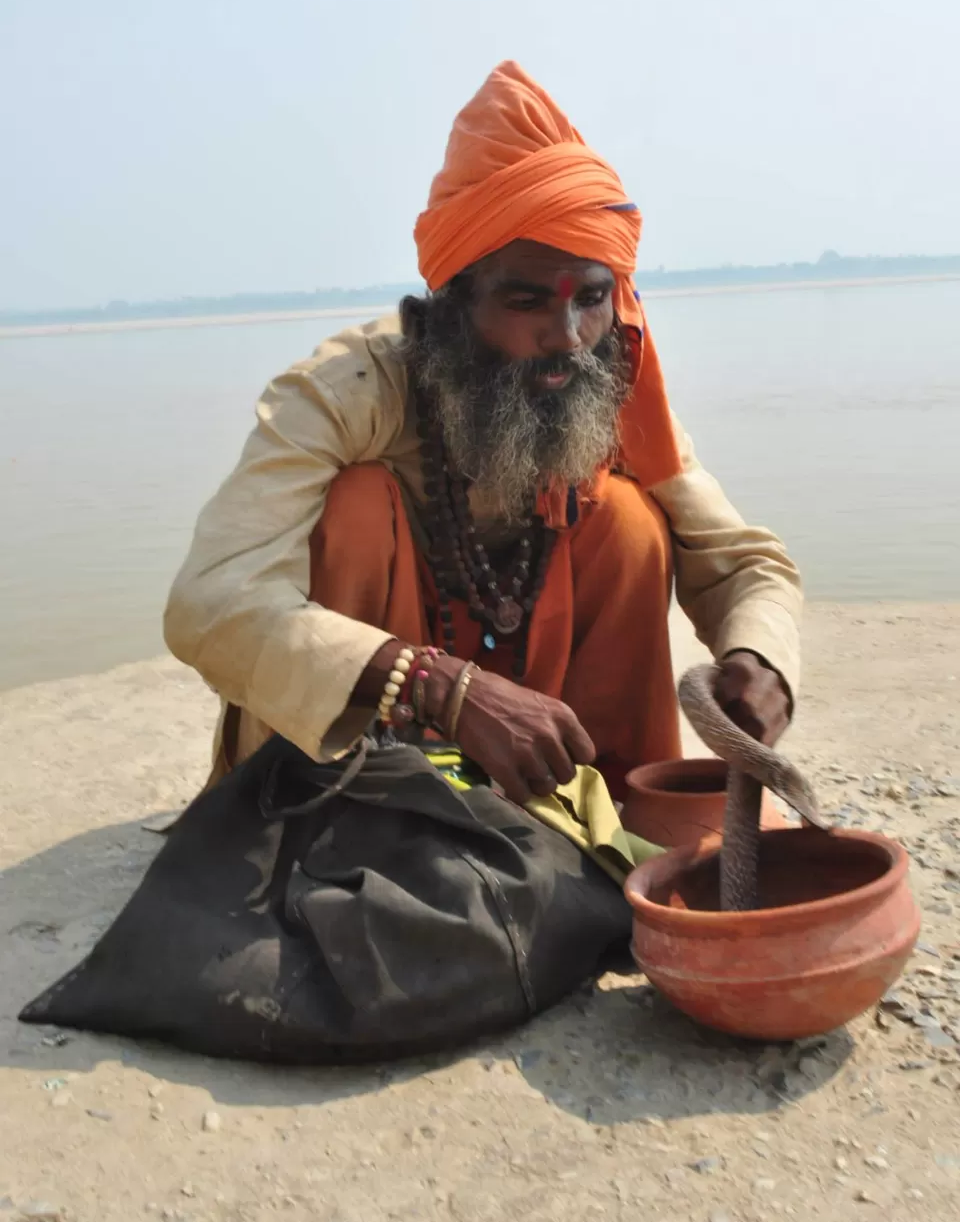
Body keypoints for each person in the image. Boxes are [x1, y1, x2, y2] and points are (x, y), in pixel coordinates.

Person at [164, 61, 802, 811]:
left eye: (592, 298)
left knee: (632, 523)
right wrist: (441, 685)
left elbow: (741, 563)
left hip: (536, 751)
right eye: (526, 299)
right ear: (454, 304)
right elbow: (210, 599)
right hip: (357, 764)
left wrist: (759, 658)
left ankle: (615, 812)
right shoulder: (348, 394)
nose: (567, 336)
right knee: (359, 505)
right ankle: (330, 814)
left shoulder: (605, 388)